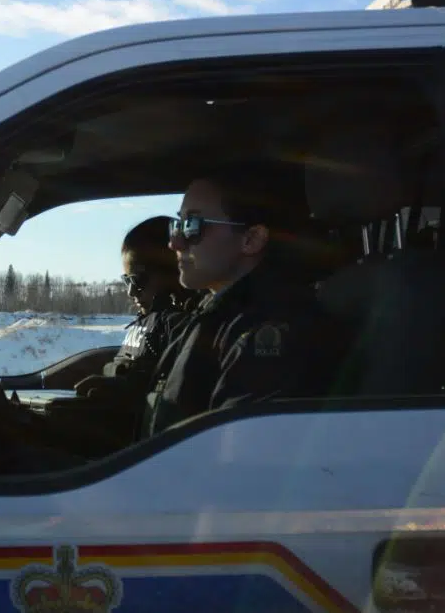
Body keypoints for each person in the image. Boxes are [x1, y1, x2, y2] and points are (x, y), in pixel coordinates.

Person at [139, 164, 345, 439]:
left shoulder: (272, 331)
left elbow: (235, 453)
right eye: (177, 224)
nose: (174, 243)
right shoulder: (218, 312)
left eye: (193, 225)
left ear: (251, 239)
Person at [75, 215, 194, 401]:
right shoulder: (148, 322)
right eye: (127, 280)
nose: (131, 292)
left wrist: (127, 389)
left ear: (173, 274)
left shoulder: (182, 328)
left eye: (138, 280)